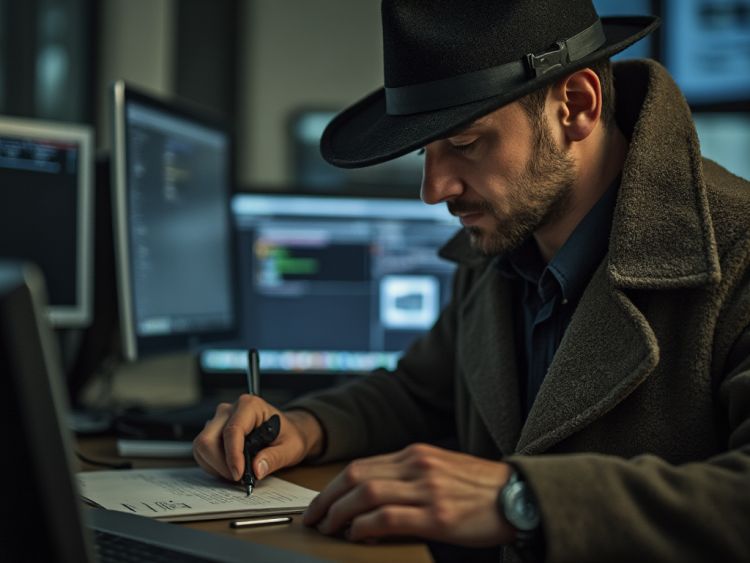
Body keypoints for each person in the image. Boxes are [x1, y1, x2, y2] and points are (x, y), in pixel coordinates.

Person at [193, 1, 750, 561]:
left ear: (576, 105)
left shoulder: (740, 251)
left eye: (463, 144)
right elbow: (418, 393)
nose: (433, 190)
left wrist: (522, 498)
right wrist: (302, 427)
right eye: (424, 152)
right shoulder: (504, 250)